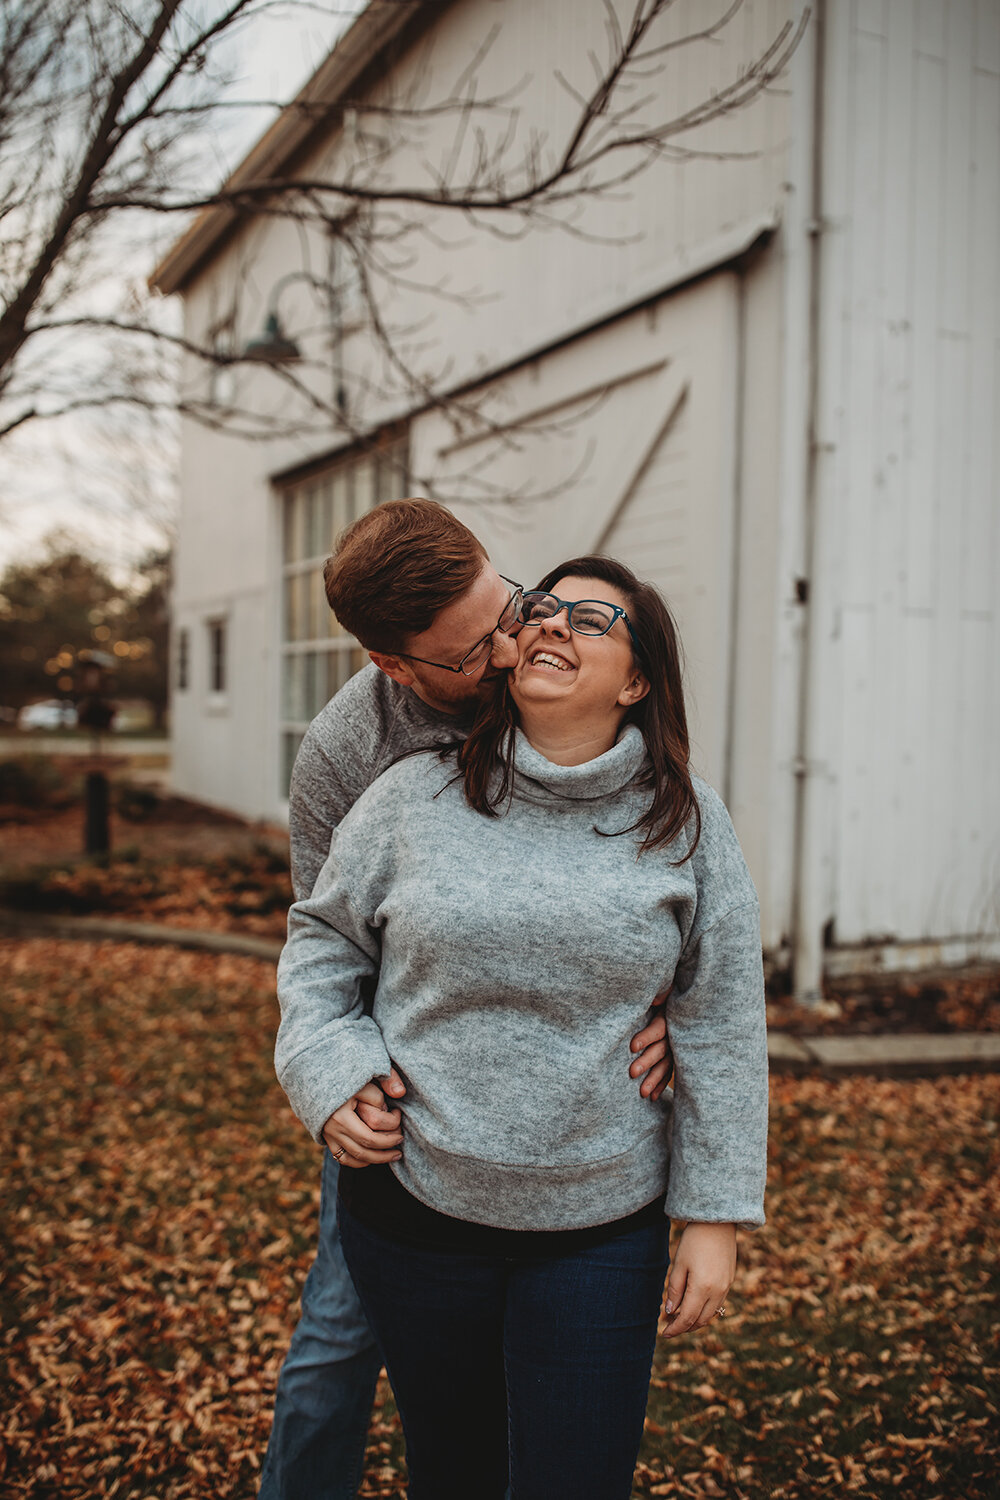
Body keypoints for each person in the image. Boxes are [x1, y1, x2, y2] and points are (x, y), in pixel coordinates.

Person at [275, 554, 768, 1500]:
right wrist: (330, 1065)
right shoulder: (405, 793)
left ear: (637, 680)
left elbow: (723, 1014)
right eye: (542, 612)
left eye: (591, 620)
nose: (549, 625)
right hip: (415, 1210)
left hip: (598, 1220)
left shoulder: (687, 820)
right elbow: (321, 942)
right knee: (450, 1471)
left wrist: (713, 1212)